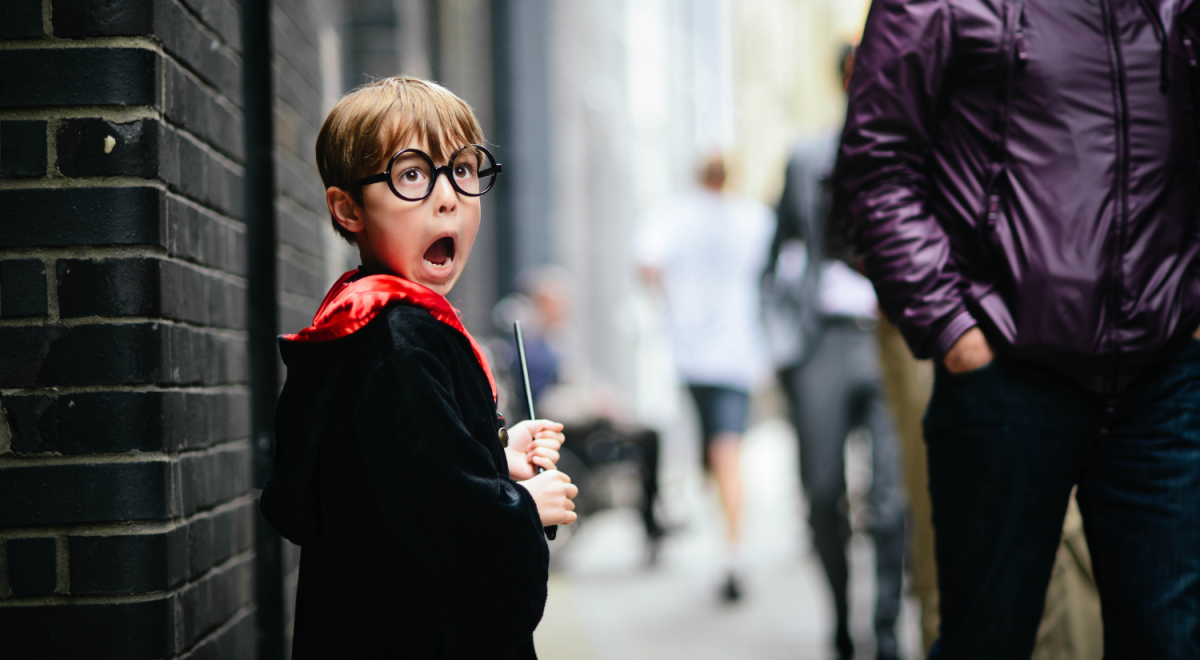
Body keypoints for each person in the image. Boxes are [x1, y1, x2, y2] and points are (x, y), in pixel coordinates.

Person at [836, 2, 1200, 657]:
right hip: (1004, 371)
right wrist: (953, 329)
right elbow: (877, 165)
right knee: (988, 639)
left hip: (1164, 373)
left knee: (1170, 642)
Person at [259, 76, 578, 659]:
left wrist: (494, 455)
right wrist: (527, 507)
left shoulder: (363, 323)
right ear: (348, 209)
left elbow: (398, 480)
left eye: (462, 169)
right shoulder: (400, 345)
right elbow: (450, 530)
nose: (448, 196)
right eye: (411, 174)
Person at [767, 50, 906, 655]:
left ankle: (887, 629)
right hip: (820, 340)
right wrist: (782, 343)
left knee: (893, 501)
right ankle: (843, 624)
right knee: (823, 494)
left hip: (891, 338)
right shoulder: (807, 157)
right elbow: (774, 255)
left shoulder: (910, 154)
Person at [636, 154, 774, 602]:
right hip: (737, 354)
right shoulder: (755, 219)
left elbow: (646, 267)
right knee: (722, 453)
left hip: (691, 355)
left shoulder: (673, 215)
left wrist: (674, 301)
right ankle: (733, 550)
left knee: (720, 454)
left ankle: (733, 552)